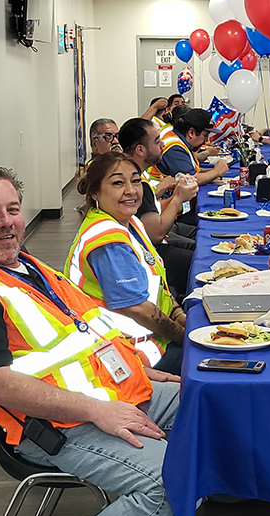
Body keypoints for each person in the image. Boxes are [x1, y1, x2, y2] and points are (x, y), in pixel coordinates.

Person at [0, 166, 184, 516]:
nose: (6, 222)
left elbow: (90, 333)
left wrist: (137, 367)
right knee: (170, 487)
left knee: (211, 405)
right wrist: (98, 409)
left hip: (119, 391)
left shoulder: (30, 269)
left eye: (13, 209)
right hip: (59, 423)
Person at [65, 153, 188, 374]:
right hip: (125, 353)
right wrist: (182, 336)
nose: (131, 190)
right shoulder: (107, 241)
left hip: (151, 338)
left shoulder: (131, 222)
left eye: (136, 180)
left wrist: (180, 316)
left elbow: (158, 285)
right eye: (118, 183)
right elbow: (137, 308)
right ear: (95, 192)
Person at [118, 118, 199, 296]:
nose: (163, 144)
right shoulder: (136, 182)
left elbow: (149, 211)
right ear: (140, 150)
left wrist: (177, 194)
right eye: (156, 141)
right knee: (199, 261)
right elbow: (155, 234)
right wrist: (178, 198)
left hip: (142, 245)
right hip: (145, 253)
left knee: (200, 243)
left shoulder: (136, 174)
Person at [154, 108, 229, 188]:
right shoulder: (175, 148)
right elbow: (192, 179)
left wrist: (213, 171)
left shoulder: (176, 137)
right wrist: (217, 171)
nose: (207, 141)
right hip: (158, 196)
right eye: (205, 136)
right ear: (191, 133)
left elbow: (191, 168)